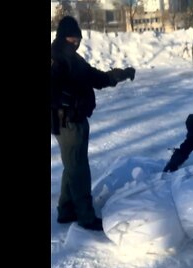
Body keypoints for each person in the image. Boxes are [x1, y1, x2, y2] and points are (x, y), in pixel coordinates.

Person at [51, 16, 136, 231]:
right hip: (68, 122)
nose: (76, 42)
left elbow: (96, 78)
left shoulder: (72, 57)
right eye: (72, 38)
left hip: (76, 120)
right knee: (78, 169)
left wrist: (121, 74)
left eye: (78, 39)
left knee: (73, 166)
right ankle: (85, 216)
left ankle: (65, 209)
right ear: (63, 37)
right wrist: (62, 102)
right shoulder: (57, 58)